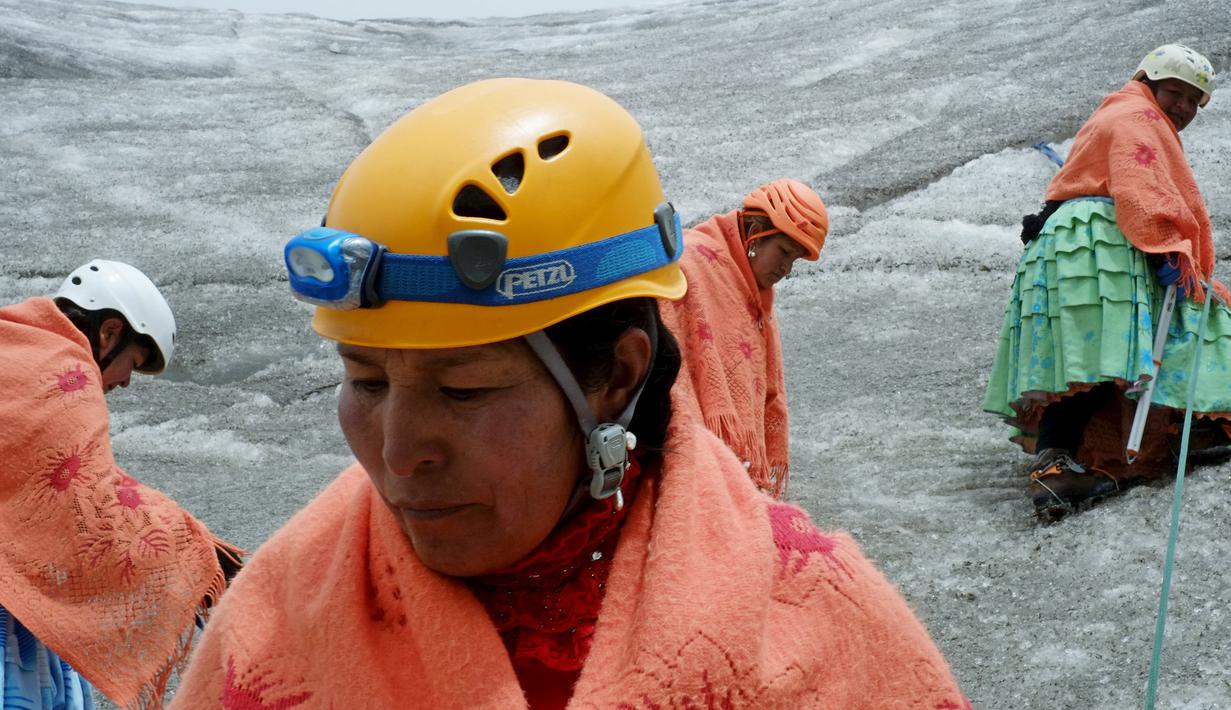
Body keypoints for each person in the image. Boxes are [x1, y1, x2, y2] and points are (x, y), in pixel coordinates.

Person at [171, 78, 967, 709]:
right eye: (364, 379)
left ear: (616, 376)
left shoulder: (809, 627)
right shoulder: (284, 616)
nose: (398, 451)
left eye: (464, 388)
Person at [984, 43, 1231, 521]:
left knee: (1081, 357)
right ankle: (1200, 427)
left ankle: (1054, 465)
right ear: (1150, 81)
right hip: (1102, 243)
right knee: (1193, 320)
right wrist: (1166, 246)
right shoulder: (1139, 119)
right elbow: (1141, 192)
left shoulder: (1117, 110)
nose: (1181, 107)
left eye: (1192, 101)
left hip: (1063, 244)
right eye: (1175, 93)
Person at [0, 260, 242, 709]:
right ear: (109, 333)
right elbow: (92, 512)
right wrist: (197, 558)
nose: (127, 381)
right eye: (134, 361)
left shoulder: (13, 345)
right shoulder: (65, 376)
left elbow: (56, 482)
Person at [661, 179, 827, 497]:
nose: (786, 268)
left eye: (793, 260)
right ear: (754, 231)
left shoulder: (753, 290)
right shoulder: (692, 265)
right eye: (784, 252)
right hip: (683, 445)